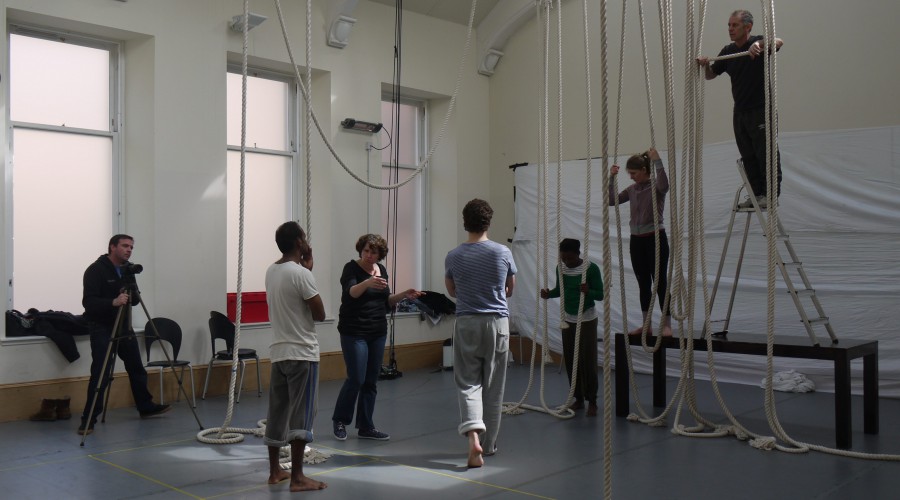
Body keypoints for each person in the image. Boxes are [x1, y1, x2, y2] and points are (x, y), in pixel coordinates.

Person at [445, 199, 517, 468]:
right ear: (489, 221)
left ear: (465, 222)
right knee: (494, 387)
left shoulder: (453, 256)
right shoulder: (502, 252)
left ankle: (473, 435)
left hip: (466, 322)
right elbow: (510, 288)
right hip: (497, 323)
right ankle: (489, 446)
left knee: (467, 383)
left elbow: (452, 290)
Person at [332, 234, 422, 442]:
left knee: (371, 381)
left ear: (380, 254)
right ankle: (340, 420)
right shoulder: (351, 268)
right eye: (366, 251)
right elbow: (351, 293)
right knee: (356, 378)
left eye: (373, 252)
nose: (369, 255)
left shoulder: (381, 270)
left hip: (377, 330)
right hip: (354, 331)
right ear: (360, 250)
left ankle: (366, 426)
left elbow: (386, 300)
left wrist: (403, 295)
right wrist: (369, 282)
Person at [78, 234, 170, 435]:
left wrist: (132, 292)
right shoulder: (95, 270)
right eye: (125, 246)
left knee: (137, 368)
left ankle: (145, 406)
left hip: (124, 326)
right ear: (112, 247)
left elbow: (135, 301)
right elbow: (89, 303)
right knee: (101, 372)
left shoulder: (128, 270)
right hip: (102, 327)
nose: (129, 250)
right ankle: (88, 419)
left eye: (131, 247)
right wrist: (112, 301)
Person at [263, 221, 327, 492]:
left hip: (279, 352)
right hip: (302, 353)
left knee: (277, 411)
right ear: (300, 243)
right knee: (301, 412)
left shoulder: (271, 271)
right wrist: (308, 270)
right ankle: (298, 477)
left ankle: (275, 470)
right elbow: (319, 313)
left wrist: (305, 268)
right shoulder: (301, 274)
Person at [697, 9, 784, 209]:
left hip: (761, 109)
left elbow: (779, 41)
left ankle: (770, 195)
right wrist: (705, 66)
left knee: (766, 153)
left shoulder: (758, 43)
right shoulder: (728, 51)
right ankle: (757, 195)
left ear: (748, 27)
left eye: (734, 25)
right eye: (729, 25)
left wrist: (758, 44)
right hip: (740, 112)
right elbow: (711, 75)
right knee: (748, 155)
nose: (730, 29)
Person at [610, 148, 673, 337]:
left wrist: (657, 161)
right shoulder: (632, 190)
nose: (631, 177)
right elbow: (611, 201)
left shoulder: (656, 186)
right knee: (643, 283)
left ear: (645, 170)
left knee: (659, 282)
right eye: (629, 173)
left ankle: (666, 325)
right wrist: (611, 178)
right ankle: (647, 325)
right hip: (637, 241)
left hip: (655, 239)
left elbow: (665, 186)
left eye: (634, 173)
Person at [539, 238, 603, 417]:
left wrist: (588, 290)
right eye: (564, 258)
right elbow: (561, 290)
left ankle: (592, 400)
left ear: (578, 254)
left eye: (570, 259)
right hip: (568, 319)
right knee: (571, 358)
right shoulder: (561, 268)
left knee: (587, 359)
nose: (567, 261)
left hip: (587, 319)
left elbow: (601, 295)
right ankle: (578, 398)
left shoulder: (591, 269)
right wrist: (549, 294)